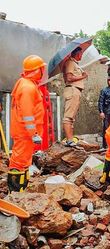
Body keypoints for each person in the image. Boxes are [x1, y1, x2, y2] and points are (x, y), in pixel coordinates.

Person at [8, 55, 46, 192]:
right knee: (19, 162)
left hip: (24, 133)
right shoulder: (27, 87)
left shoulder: (26, 84)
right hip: (25, 133)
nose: (43, 71)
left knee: (23, 161)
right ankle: (16, 193)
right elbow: (27, 114)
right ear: (37, 70)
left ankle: (21, 190)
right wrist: (33, 133)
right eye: (42, 69)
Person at [62, 47, 88, 147]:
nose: (81, 55)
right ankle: (69, 140)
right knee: (68, 117)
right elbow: (69, 77)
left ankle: (70, 139)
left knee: (71, 117)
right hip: (72, 89)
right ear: (77, 53)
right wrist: (83, 76)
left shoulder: (75, 63)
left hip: (75, 90)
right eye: (81, 53)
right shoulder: (70, 63)